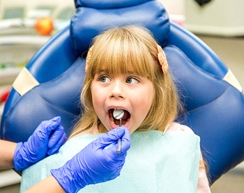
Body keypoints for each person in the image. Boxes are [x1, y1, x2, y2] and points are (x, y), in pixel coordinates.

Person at [0, 0, 131, 192]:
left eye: (132, 79)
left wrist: (20, 153)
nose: (116, 91)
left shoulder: (172, 140)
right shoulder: (74, 149)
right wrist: (70, 177)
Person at [21, 25, 211, 192]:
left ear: (157, 90)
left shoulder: (179, 140)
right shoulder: (78, 148)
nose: (116, 91)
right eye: (103, 78)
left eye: (131, 80)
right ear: (89, 88)